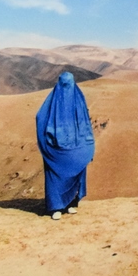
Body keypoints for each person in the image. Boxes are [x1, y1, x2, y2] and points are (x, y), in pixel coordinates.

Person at [35, 71, 95, 220]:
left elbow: (85, 120)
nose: (67, 87)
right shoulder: (52, 101)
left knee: (77, 171)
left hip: (76, 145)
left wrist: (87, 144)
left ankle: (70, 204)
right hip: (56, 147)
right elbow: (40, 117)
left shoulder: (79, 99)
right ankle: (55, 207)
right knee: (55, 177)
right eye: (64, 84)